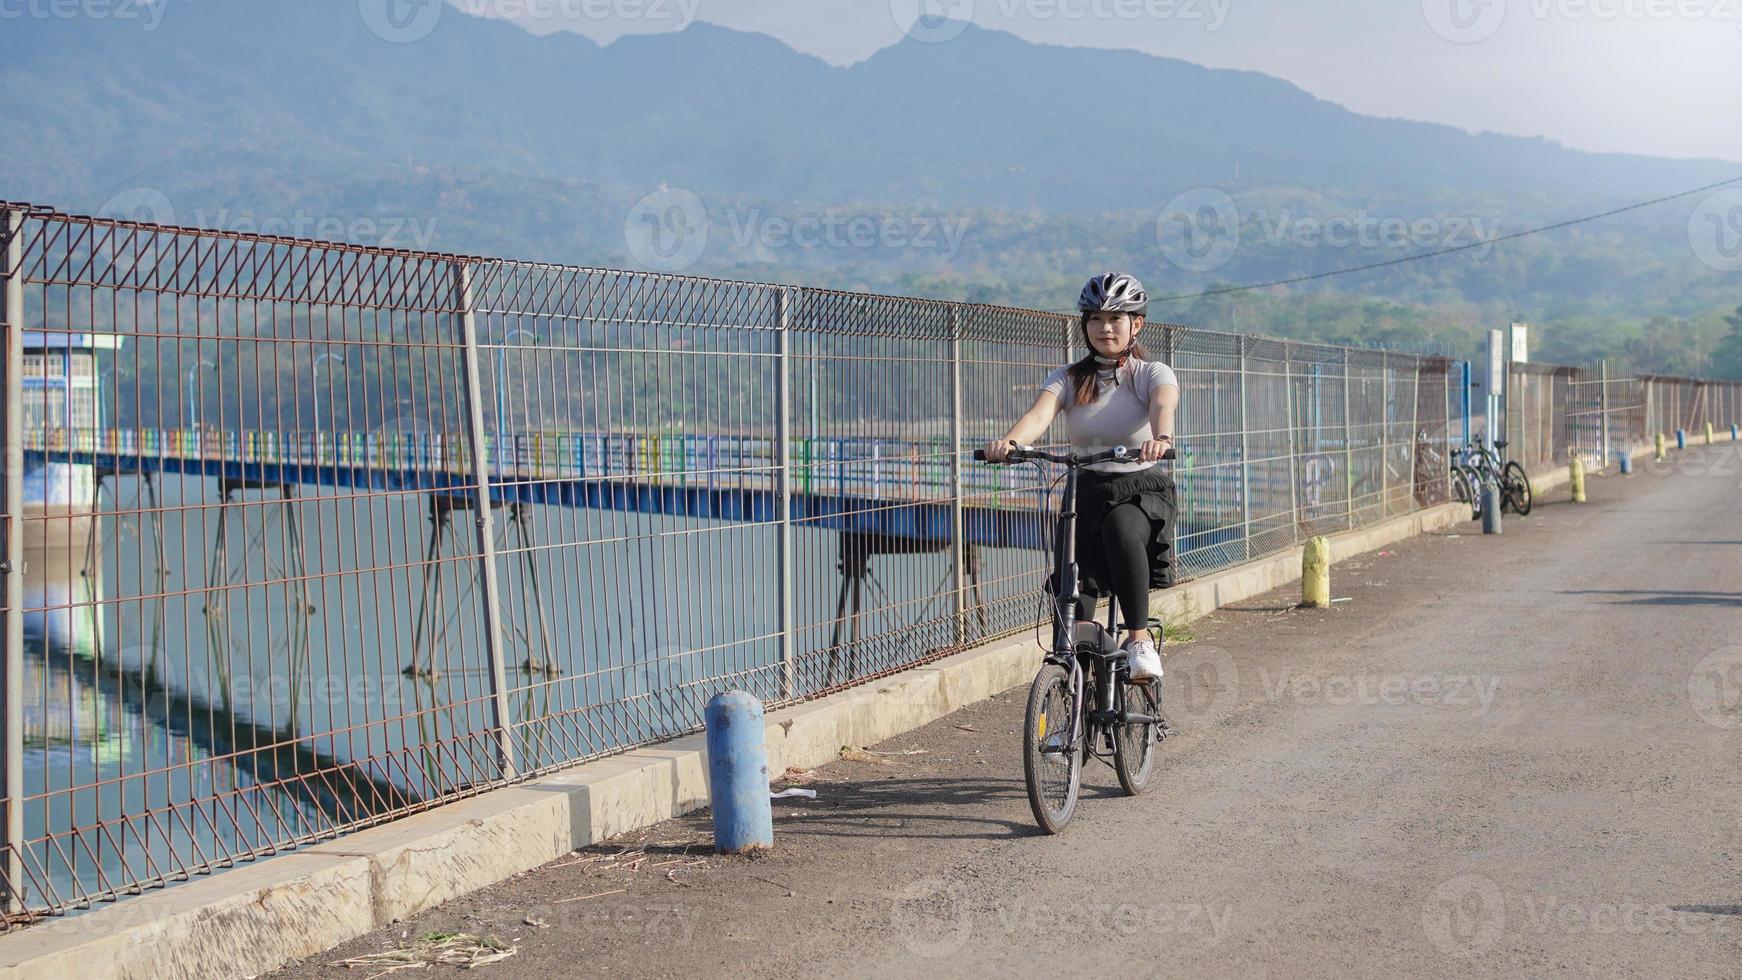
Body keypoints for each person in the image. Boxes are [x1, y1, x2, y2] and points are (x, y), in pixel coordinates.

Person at [983, 273, 1180, 683]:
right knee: (1072, 591)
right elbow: (1040, 413)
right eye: (1094, 319)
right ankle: (1071, 695)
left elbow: (1164, 404)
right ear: (1084, 325)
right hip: (1084, 490)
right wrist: (1009, 442)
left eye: (1115, 319)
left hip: (1137, 489)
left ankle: (1139, 641)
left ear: (1136, 324)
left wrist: (1161, 438)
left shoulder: (1151, 373)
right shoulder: (1069, 377)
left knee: (1122, 530)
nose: (1104, 328)